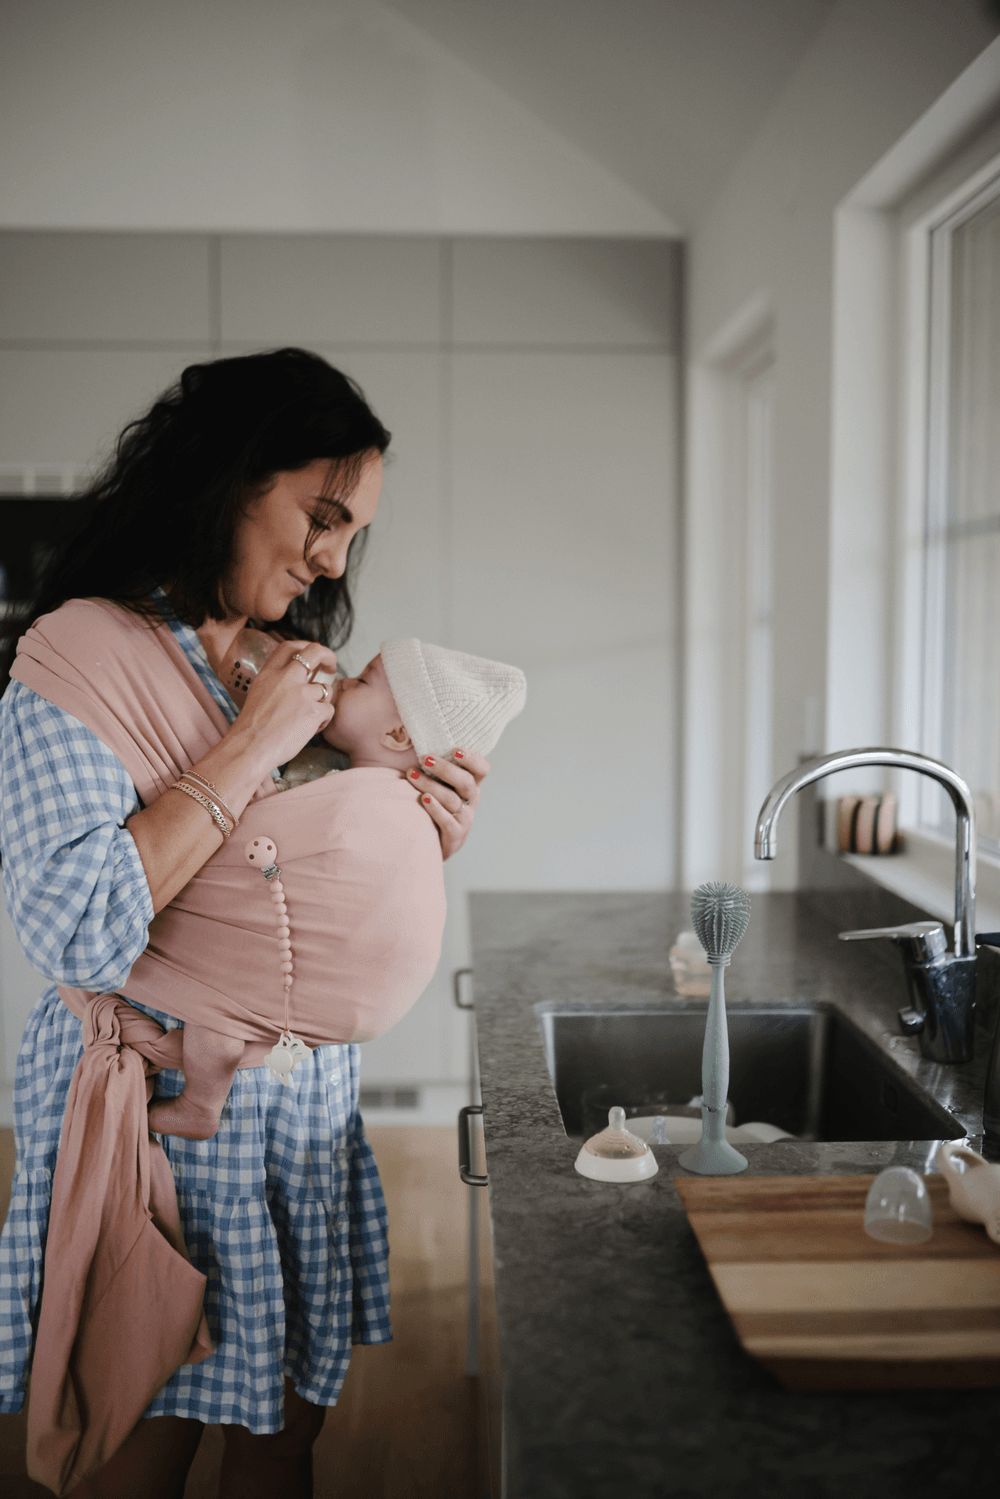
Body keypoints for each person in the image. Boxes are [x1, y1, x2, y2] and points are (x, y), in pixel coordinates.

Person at [0, 348, 491, 1499]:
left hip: (303, 1110)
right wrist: (249, 745)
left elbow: (294, 880)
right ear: (225, 478)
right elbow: (72, 924)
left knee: (282, 1437)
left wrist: (424, 834)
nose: (331, 555)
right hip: (157, 1126)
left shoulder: (288, 664)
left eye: (350, 531)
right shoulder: (72, 662)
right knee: (141, 1435)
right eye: (319, 515)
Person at [141, 635, 526, 1140]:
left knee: (220, 1014)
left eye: (362, 680)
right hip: (316, 994)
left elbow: (255, 829)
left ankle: (201, 1102)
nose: (342, 681)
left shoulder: (368, 799)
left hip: (304, 984)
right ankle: (204, 1103)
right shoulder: (356, 783)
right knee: (222, 1024)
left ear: (395, 733)